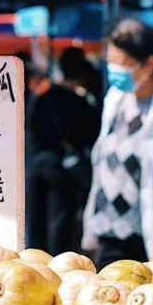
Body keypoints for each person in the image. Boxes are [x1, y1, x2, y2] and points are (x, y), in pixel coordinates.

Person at [82, 18, 153, 266]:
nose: (114, 71)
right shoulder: (116, 97)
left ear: (148, 64)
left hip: (141, 237)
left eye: (121, 64)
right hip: (107, 228)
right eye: (110, 62)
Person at [25, 52, 99, 255]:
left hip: (34, 167)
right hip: (61, 170)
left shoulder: (41, 98)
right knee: (60, 222)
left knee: (35, 220)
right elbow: (90, 135)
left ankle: (33, 262)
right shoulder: (78, 102)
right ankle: (56, 266)